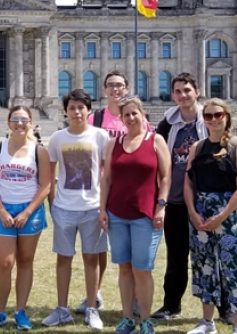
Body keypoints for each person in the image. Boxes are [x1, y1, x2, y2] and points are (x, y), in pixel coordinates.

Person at [100, 97, 171, 334]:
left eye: (134, 114)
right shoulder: (114, 143)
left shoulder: (155, 140)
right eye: (126, 115)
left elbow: (166, 177)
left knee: (142, 269)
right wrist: (102, 210)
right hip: (117, 214)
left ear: (143, 115)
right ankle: (128, 318)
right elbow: (107, 178)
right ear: (121, 118)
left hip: (145, 215)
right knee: (124, 268)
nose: (130, 118)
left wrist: (161, 205)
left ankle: (146, 320)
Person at [83, 70, 151, 315]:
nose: (115, 90)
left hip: (129, 192)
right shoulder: (94, 118)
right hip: (99, 190)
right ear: (104, 90)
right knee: (97, 247)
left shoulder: (137, 118)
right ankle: (95, 293)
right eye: (110, 85)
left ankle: (134, 298)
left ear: (127, 88)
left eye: (120, 85)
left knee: (131, 251)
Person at [42, 89, 110, 330]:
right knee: (64, 259)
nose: (77, 112)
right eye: (72, 108)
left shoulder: (101, 136)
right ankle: (62, 309)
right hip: (64, 208)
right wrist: (52, 204)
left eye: (81, 108)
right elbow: (50, 174)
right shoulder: (58, 138)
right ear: (66, 111)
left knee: (91, 259)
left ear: (89, 111)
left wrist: (103, 206)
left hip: (92, 208)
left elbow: (106, 174)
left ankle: (92, 308)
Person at [184, 99, 237, 334]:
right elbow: (188, 184)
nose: (213, 119)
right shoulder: (198, 147)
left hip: (229, 214)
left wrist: (222, 216)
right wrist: (192, 212)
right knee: (204, 266)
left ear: (226, 117)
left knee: (234, 266)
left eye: (218, 115)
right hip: (201, 213)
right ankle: (207, 322)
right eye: (208, 116)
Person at [152, 73, 214, 322]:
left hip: (205, 200)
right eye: (177, 91)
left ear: (197, 92)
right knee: (176, 255)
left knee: (211, 255)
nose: (182, 95)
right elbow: (158, 159)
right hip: (176, 200)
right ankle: (171, 305)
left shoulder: (211, 118)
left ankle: (222, 307)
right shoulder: (167, 123)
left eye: (187, 90)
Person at [0, 105, 51, 330]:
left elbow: (46, 185)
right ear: (8, 123)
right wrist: (0, 210)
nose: (20, 124)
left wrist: (27, 211)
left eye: (24, 120)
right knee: (4, 263)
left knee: (25, 261)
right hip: (4, 209)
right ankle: (0, 311)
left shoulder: (38, 151)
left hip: (29, 212)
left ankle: (20, 311)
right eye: (15, 119)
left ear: (30, 122)